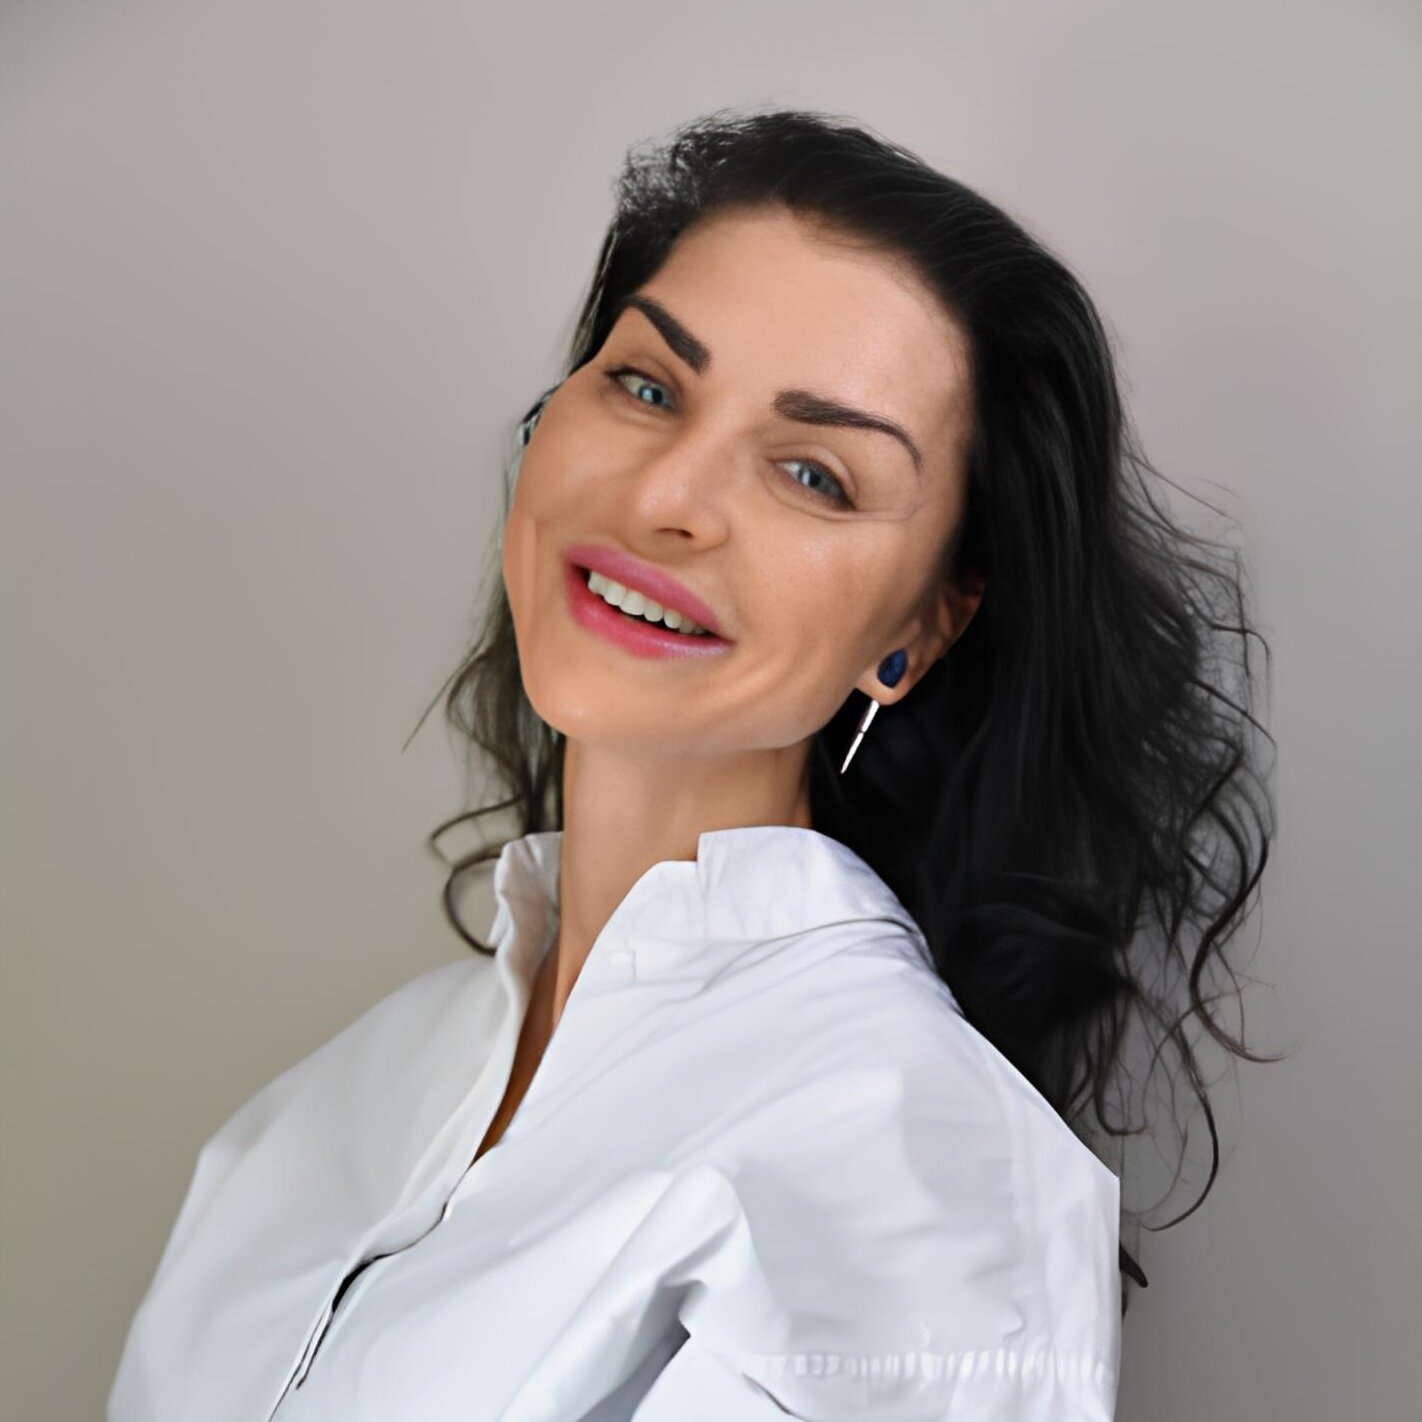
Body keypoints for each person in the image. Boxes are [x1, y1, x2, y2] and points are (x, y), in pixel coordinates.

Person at [109, 107, 1274, 1421]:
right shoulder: (334, 1102)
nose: (666, 495)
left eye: (813, 475)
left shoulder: (914, 1178)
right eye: (648, 386)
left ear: (919, 629)